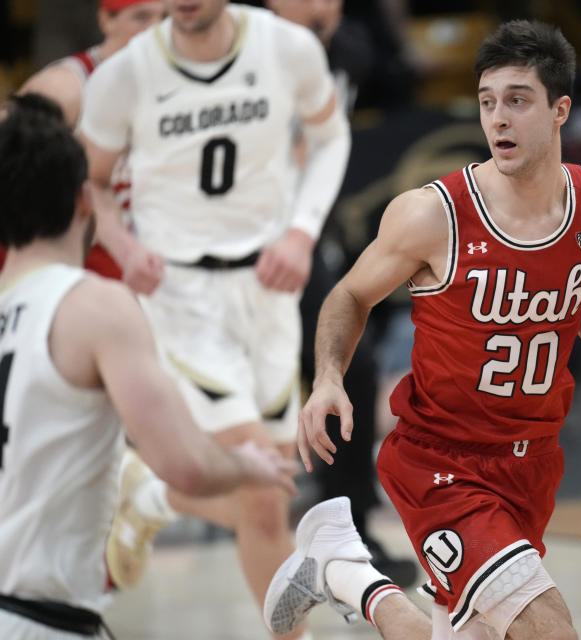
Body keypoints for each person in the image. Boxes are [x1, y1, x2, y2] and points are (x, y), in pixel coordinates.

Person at [262, 20, 581, 639]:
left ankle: (342, 571)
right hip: (440, 463)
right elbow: (349, 294)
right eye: (487, 102)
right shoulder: (432, 215)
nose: (497, 118)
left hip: (532, 465)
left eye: (517, 100)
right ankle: (342, 567)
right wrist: (327, 379)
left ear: (560, 110)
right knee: (548, 630)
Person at [79, 0, 349, 636]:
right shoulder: (126, 74)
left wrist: (302, 234)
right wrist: (122, 246)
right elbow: (89, 179)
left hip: (268, 286)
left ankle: (148, 498)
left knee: (270, 498)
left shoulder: (286, 48)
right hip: (182, 294)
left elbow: (331, 135)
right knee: (261, 483)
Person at [0, 93, 296, 639]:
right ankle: (140, 494)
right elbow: (188, 464)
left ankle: (140, 495)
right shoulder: (93, 305)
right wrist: (251, 467)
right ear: (84, 201)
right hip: (38, 619)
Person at [265, 0, 418, 588]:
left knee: (347, 363)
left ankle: (345, 526)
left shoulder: (350, 47)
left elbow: (402, 79)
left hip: (302, 235)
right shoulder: (246, 46)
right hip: (232, 239)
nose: (317, 5)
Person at [6, 0, 166, 279]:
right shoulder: (65, 86)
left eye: (164, 18)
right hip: (84, 260)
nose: (154, 30)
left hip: (159, 255)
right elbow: (9, 162)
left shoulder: (178, 78)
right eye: (141, 18)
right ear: (106, 20)